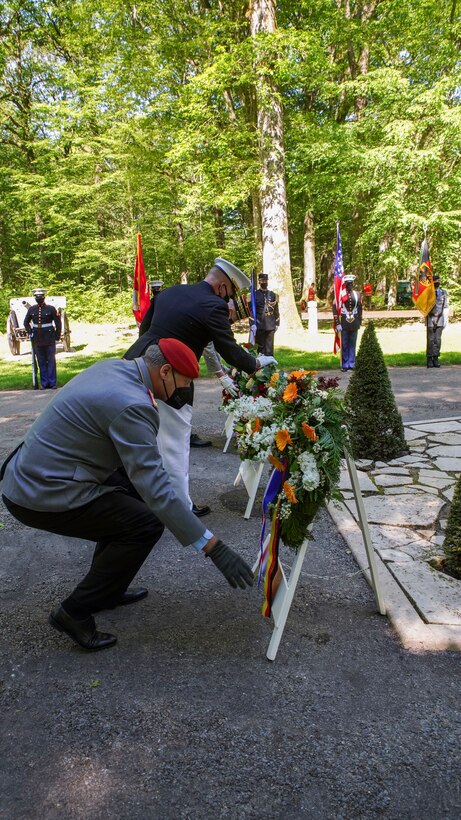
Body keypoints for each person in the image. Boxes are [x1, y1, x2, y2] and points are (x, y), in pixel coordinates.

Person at [1, 339, 254, 653]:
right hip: (39, 491)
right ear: (164, 372)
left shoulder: (115, 368)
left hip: (39, 471)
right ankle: (75, 612)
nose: (183, 391)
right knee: (144, 524)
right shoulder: (132, 404)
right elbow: (158, 491)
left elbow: (143, 473)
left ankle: (109, 588)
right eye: (185, 383)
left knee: (130, 500)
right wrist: (212, 545)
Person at [123, 258, 276, 511]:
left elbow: (145, 329)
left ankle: (136, 495)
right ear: (223, 286)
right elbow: (229, 351)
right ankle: (179, 506)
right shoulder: (213, 305)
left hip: (136, 364)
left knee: (139, 433)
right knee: (174, 442)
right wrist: (257, 363)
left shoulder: (170, 292)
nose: (229, 299)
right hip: (172, 377)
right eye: (231, 293)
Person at [23, 289, 62, 389]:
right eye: (37, 298)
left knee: (51, 361)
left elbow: (58, 323)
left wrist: (57, 336)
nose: (39, 299)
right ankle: (44, 383)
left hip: (49, 338)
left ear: (44, 298)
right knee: (41, 361)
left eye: (40, 297)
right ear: (35, 299)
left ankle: (52, 383)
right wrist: (30, 332)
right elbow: (26, 323)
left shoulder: (51, 309)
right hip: (37, 338)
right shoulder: (31, 309)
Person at [333, 274, 362, 372]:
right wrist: (337, 323)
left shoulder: (357, 294)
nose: (350, 285)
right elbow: (335, 309)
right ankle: (345, 364)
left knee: (352, 344)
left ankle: (352, 363)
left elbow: (359, 308)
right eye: (348, 284)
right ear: (345, 284)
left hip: (354, 321)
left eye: (351, 284)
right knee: (344, 344)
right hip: (344, 322)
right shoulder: (340, 295)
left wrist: (359, 321)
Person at [253, 273, 280, 356]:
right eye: (262, 280)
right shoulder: (255, 294)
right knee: (260, 347)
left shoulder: (272, 294)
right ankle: (261, 366)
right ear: (259, 282)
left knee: (269, 347)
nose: (264, 282)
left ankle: (270, 366)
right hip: (259, 323)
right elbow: (252, 311)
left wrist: (277, 323)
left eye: (265, 280)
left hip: (270, 323)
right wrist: (252, 324)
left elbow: (276, 309)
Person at [426, 274, 449, 368]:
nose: (437, 282)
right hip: (430, 318)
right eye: (435, 281)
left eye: (438, 281)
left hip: (440, 318)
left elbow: (446, 306)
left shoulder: (443, 292)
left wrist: (445, 319)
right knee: (430, 339)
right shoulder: (428, 293)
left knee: (437, 340)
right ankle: (429, 359)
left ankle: (436, 358)